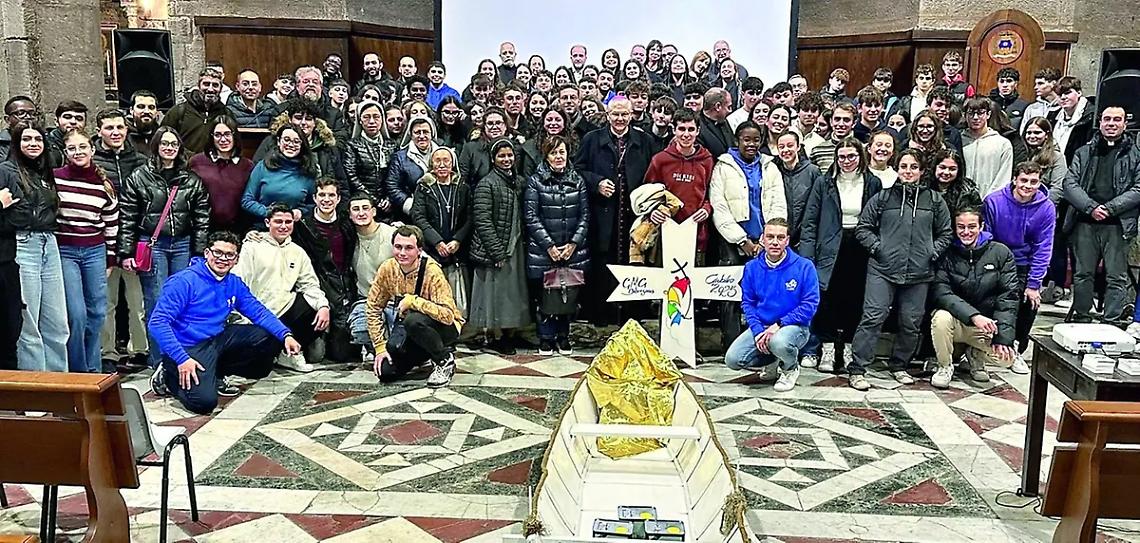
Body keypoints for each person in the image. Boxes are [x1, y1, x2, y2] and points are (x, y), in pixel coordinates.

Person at [148, 230, 300, 413]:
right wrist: (181, 358)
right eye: (217, 252)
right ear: (207, 253)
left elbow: (258, 312)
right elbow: (157, 322)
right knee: (204, 403)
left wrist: (286, 335)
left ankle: (217, 372)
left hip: (217, 338)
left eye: (229, 255)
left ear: (236, 259)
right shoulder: (183, 282)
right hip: (187, 346)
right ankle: (168, 375)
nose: (223, 259)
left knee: (268, 338)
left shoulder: (233, 282)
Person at [848, 149, 952, 390]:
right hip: (882, 269)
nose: (908, 171)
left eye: (913, 167)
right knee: (873, 317)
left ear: (922, 171)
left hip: (920, 272)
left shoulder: (935, 200)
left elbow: (946, 232)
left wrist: (932, 252)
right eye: (904, 166)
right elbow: (863, 227)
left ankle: (899, 365)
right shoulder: (883, 198)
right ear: (897, 169)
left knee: (911, 322)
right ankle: (858, 368)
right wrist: (878, 247)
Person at [119, 126, 211, 369]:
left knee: (183, 301)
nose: (169, 148)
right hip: (153, 244)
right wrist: (126, 252)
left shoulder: (191, 180)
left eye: (174, 144)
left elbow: (202, 217)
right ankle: (159, 361)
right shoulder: (139, 177)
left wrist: (200, 252)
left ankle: (181, 356)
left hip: (182, 243)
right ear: (156, 146)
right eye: (165, 143)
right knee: (157, 301)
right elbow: (128, 215)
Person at [799, 137, 881, 372]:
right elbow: (810, 221)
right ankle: (825, 348)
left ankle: (845, 348)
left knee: (854, 299)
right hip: (828, 246)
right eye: (842, 156)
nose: (846, 161)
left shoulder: (872, 182)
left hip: (859, 246)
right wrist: (807, 257)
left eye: (851, 156)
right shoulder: (824, 183)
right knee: (827, 299)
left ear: (861, 157)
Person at [574, 98, 654, 325]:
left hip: (633, 216)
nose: (620, 119)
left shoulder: (643, 141)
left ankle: (631, 319)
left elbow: (652, 173)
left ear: (632, 115)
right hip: (602, 214)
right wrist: (596, 182)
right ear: (607, 115)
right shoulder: (592, 139)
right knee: (602, 266)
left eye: (624, 114)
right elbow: (578, 170)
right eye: (615, 114)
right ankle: (602, 317)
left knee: (633, 265)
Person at [710, 121, 789, 347]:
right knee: (730, 292)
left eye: (756, 140)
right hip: (733, 240)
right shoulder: (723, 166)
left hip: (766, 240)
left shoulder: (770, 166)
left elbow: (777, 202)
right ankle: (732, 342)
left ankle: (767, 342)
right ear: (737, 141)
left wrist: (768, 239)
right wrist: (742, 240)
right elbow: (719, 206)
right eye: (746, 139)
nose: (751, 144)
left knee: (767, 291)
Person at [1063, 106, 1140, 323]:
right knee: (1082, 274)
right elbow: (1069, 183)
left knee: (1116, 277)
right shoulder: (1084, 152)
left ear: (1125, 124)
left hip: (1118, 225)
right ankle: (1081, 317)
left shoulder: (1136, 155)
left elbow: (1139, 188)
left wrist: (1109, 208)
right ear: (1100, 122)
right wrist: (1091, 208)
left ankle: (1112, 321)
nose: (1111, 123)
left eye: (1117, 119)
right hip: (1085, 223)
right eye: (1107, 119)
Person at [928, 204, 1018, 386]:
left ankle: (976, 356)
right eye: (961, 227)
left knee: (1006, 359)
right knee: (940, 318)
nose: (966, 232)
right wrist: (973, 316)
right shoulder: (945, 253)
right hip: (956, 321)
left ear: (981, 226)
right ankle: (945, 366)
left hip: (986, 325)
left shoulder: (1001, 253)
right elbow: (941, 292)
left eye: (972, 226)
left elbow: (1008, 297)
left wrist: (1003, 339)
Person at [232, 203, 330, 372]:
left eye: (288, 222)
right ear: (267, 222)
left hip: (285, 308)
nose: (284, 226)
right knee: (258, 367)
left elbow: (310, 284)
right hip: (257, 314)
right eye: (278, 221)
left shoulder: (298, 251)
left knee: (316, 307)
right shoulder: (251, 246)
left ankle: (289, 354)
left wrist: (323, 306)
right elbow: (238, 282)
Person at [725, 218, 819, 392]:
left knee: (779, 342)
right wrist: (758, 330)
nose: (775, 242)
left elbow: (809, 305)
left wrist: (779, 325)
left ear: (787, 241)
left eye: (780, 237)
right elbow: (748, 303)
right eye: (770, 237)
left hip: (794, 327)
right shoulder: (752, 268)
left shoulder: (805, 267)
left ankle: (790, 368)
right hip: (763, 325)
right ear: (762, 239)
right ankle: (772, 361)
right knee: (733, 359)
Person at [4, 123, 68, 371]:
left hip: (49, 242)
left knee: (58, 323)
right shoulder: (5, 170)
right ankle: (36, 393)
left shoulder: (45, 172)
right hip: (23, 243)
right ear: (17, 144)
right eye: (27, 139)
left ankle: (60, 388)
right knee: (29, 323)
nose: (33, 143)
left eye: (38, 139)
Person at [365, 225, 463, 386]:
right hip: (409, 331)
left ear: (419, 250)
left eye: (408, 248)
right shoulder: (387, 268)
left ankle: (444, 360)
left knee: (413, 320)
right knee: (385, 372)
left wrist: (414, 301)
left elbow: (448, 315)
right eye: (398, 247)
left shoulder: (432, 271)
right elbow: (373, 307)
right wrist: (380, 347)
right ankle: (424, 356)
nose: (402, 253)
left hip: (444, 328)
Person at [54, 130, 119, 373]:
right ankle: (79, 371)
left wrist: (110, 257)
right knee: (76, 314)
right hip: (66, 251)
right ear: (66, 152)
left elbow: (112, 223)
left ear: (92, 149)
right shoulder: (56, 179)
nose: (78, 152)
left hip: (95, 251)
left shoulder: (104, 184)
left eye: (83, 147)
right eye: (72, 148)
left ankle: (93, 368)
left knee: (97, 312)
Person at [983, 161, 1056, 373]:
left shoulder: (1046, 208)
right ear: (1015, 179)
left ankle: (1017, 349)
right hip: (995, 260)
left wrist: (1034, 284)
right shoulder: (993, 201)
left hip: (1024, 263)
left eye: (1034, 182)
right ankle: (983, 348)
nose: (1028, 186)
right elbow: (986, 236)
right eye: (1024, 180)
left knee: (1029, 302)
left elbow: (1044, 246)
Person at [92, 109, 149, 368]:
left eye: (119, 127)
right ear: (99, 131)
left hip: (135, 238)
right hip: (103, 240)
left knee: (137, 301)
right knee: (107, 301)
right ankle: (108, 351)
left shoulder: (139, 160)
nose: (115, 132)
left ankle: (140, 348)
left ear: (127, 130)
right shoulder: (93, 162)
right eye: (109, 128)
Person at [524, 136, 590, 355]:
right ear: (546, 156)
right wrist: (550, 246)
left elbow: (584, 216)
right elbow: (532, 217)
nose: (558, 157)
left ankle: (563, 336)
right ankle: (545, 337)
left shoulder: (577, 180)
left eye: (561, 152)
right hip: (544, 251)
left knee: (568, 292)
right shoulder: (536, 181)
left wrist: (573, 243)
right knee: (546, 295)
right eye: (554, 153)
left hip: (572, 249)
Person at [469, 138, 531, 353]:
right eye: (501, 156)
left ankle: (511, 333)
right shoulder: (487, 184)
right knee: (495, 296)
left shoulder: (519, 181)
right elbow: (483, 221)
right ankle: (497, 337)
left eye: (509, 155)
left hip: (516, 245)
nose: (506, 159)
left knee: (513, 295)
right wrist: (496, 252)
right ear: (493, 159)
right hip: (497, 249)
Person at [293, 177, 359, 363]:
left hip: (343, 287)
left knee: (342, 355)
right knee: (315, 356)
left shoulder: (347, 223)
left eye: (331, 195)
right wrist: (254, 235)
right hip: (316, 288)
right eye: (322, 195)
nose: (326, 199)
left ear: (338, 199)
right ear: (314, 198)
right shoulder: (302, 226)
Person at [644, 109, 714, 255]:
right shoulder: (660, 160)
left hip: (696, 233)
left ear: (698, 131)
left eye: (691, 129)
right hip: (665, 232)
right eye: (681, 129)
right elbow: (647, 195)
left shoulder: (707, 160)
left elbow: (712, 194)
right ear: (673, 130)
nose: (686, 134)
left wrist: (706, 209)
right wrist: (653, 211)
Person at [411, 147, 471, 312]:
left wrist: (458, 239)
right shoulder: (424, 186)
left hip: (456, 249)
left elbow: (469, 217)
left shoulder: (462, 186)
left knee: (458, 296)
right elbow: (418, 217)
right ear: (431, 164)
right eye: (438, 160)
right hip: (433, 249)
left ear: (453, 164)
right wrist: (437, 242)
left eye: (446, 161)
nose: (442, 165)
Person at [344, 193, 397, 359]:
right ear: (350, 215)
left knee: (400, 345)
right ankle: (370, 346)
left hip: (396, 300)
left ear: (374, 211)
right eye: (356, 209)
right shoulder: (348, 239)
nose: (361, 213)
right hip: (366, 299)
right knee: (360, 330)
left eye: (365, 208)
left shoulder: (392, 234)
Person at [243, 124, 318, 222]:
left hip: (294, 228)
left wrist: (301, 211)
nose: (291, 145)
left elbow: (313, 204)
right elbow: (247, 200)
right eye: (286, 140)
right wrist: (270, 213)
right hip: (263, 226)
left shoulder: (308, 171)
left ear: (302, 145)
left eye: (296, 142)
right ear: (279, 141)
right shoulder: (263, 166)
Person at [190, 118, 253, 234]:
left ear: (235, 136)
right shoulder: (197, 162)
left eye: (227, 134)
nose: (223, 139)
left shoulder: (247, 166)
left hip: (237, 230)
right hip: (203, 229)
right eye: (217, 135)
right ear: (211, 137)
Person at [161, 68, 235, 154]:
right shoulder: (179, 111)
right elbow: (163, 138)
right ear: (198, 86)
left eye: (215, 85)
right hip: (184, 164)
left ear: (221, 89)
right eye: (206, 84)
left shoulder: (226, 114)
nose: (210, 89)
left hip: (215, 164)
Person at [774, 131, 824, 247]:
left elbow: (819, 204)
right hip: (781, 234)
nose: (785, 150)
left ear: (798, 147)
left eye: (790, 145)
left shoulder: (812, 171)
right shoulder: (774, 170)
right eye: (781, 147)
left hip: (806, 235)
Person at [386, 117, 439, 220]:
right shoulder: (400, 157)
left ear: (432, 133)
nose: (422, 136)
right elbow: (392, 186)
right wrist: (410, 205)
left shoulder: (442, 153)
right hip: (411, 214)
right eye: (417, 132)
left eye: (425, 132)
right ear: (410, 134)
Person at [343, 100, 392, 211]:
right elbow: (351, 176)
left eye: (376, 117)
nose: (371, 121)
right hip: (363, 202)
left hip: (389, 203)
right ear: (360, 120)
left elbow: (395, 176)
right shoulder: (353, 145)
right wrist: (374, 200)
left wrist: (389, 198)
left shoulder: (391, 145)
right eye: (366, 117)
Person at [960, 97, 1014, 197]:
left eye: (980, 113)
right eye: (971, 113)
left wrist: (990, 199)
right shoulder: (958, 140)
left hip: (991, 201)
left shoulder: (1002, 144)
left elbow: (1003, 178)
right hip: (961, 202)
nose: (975, 117)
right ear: (965, 115)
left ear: (988, 114)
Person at [459, 107, 514, 185]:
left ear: (505, 126)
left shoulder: (515, 147)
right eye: (490, 123)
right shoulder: (470, 148)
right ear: (484, 126)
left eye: (498, 123)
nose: (494, 127)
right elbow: (463, 178)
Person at [1048, 76, 1094, 162]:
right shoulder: (1052, 116)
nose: (1063, 97)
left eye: (1067, 93)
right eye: (1059, 95)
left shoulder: (1091, 117)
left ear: (1079, 93)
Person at [929, 149, 980, 216]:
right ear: (935, 167)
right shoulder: (923, 187)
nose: (946, 172)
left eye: (952, 169)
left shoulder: (968, 191)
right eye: (942, 167)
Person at [809, 103, 857, 172]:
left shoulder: (862, 150)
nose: (841, 124)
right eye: (837, 119)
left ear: (854, 123)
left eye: (846, 120)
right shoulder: (818, 150)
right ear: (831, 122)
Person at [46, 100, 88, 167]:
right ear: (56, 121)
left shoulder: (88, 146)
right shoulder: (45, 146)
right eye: (67, 117)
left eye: (79, 118)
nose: (73, 122)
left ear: (85, 124)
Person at [698, 88, 735, 159]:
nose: (730, 111)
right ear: (718, 106)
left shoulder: (723, 120)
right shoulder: (698, 128)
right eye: (728, 107)